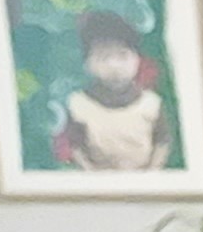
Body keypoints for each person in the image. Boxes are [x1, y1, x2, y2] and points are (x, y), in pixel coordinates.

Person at [55, 10, 175, 171]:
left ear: (137, 59)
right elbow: (76, 145)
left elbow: (162, 142)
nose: (114, 66)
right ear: (87, 63)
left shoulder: (151, 103)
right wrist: (91, 172)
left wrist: (152, 172)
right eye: (104, 57)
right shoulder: (78, 104)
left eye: (122, 56)